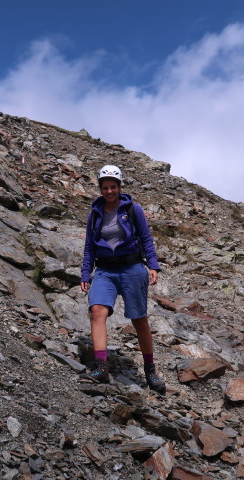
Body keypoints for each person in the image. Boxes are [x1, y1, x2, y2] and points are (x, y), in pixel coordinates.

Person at [80, 165, 166, 392]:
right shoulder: (95, 213)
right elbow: (89, 246)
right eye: (105, 187)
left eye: (113, 187)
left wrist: (153, 266)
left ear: (119, 187)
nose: (109, 191)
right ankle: (101, 365)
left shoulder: (132, 209)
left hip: (132, 267)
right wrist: (85, 273)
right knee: (97, 310)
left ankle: (150, 370)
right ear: (100, 189)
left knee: (139, 319)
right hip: (105, 270)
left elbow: (146, 239)